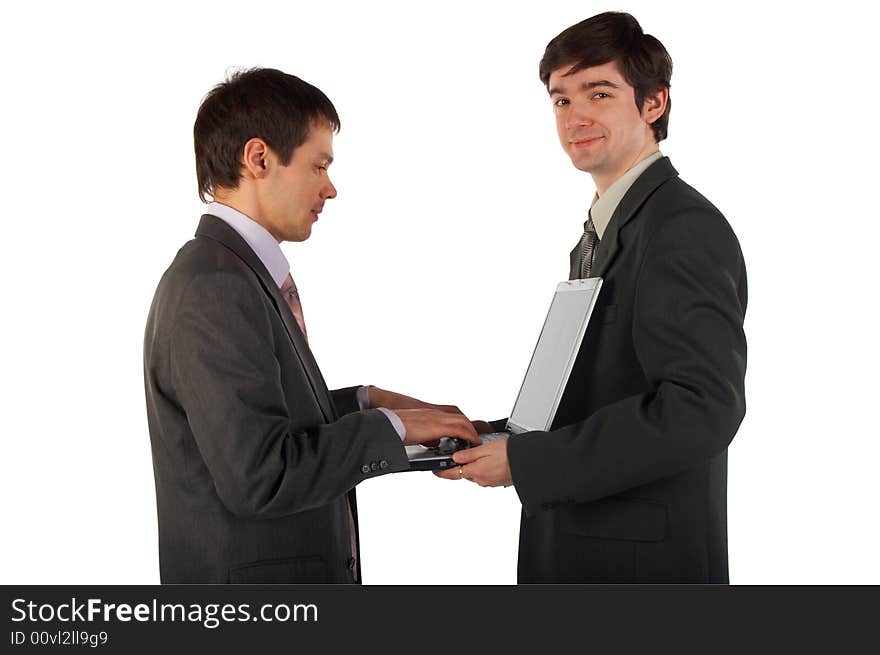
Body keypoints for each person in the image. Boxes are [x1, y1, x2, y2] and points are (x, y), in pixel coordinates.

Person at [437, 12, 747, 583]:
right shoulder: (607, 229)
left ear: (654, 104)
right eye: (560, 100)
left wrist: (528, 462)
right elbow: (603, 393)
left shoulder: (681, 228)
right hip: (587, 547)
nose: (574, 117)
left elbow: (701, 408)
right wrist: (500, 437)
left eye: (598, 93)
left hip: (641, 569)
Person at [143, 68, 478, 584]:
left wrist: (364, 401)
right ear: (258, 159)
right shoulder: (215, 286)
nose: (331, 188)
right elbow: (262, 476)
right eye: (319, 165)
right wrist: (392, 429)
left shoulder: (235, 273)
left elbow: (259, 422)